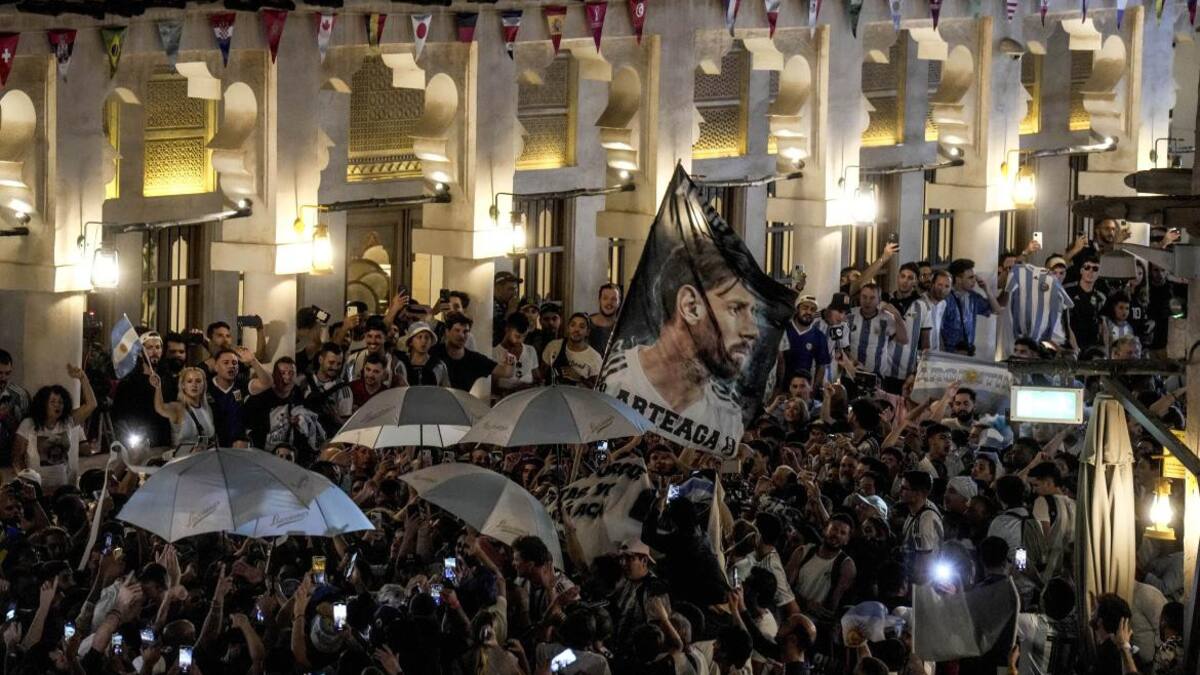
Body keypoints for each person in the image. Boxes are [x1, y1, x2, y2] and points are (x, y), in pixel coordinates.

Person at [599, 240, 758, 457]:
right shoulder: (614, 378)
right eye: (736, 309)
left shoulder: (728, 416)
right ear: (690, 306)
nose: (752, 330)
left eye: (753, 312)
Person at [13, 364, 96, 490]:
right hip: (36, 488)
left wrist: (82, 378)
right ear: (43, 404)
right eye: (53, 402)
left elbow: (91, 405)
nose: (57, 405)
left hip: (63, 485)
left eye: (61, 402)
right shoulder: (29, 424)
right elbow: (17, 458)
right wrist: (27, 482)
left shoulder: (67, 421)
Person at [786, 514, 856, 620]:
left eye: (842, 533)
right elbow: (784, 586)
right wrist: (805, 603)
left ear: (847, 540)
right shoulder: (803, 552)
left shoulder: (846, 566)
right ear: (825, 530)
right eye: (834, 529)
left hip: (814, 618)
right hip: (789, 604)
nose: (837, 534)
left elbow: (832, 607)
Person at [111, 332, 172, 449]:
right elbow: (119, 415)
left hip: (164, 440)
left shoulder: (168, 380)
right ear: (140, 352)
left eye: (158, 347)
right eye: (149, 347)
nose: (155, 352)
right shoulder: (129, 382)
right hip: (140, 440)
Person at [941, 258, 1009, 356]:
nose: (974, 281)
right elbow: (939, 329)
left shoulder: (973, 297)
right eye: (970, 277)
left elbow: (997, 310)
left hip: (967, 352)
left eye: (974, 277)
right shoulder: (946, 299)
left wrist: (987, 289)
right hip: (949, 352)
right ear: (958, 279)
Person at [433, 312, 514, 394]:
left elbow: (505, 372)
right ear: (447, 332)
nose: (461, 335)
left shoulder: (474, 359)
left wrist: (510, 361)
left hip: (462, 404)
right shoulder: (433, 353)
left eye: (465, 331)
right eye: (457, 330)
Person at [846, 283, 908, 376]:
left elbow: (903, 340)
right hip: (849, 374)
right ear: (859, 298)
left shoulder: (886, 318)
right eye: (864, 297)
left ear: (879, 300)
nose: (867, 301)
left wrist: (897, 316)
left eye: (872, 298)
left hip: (876, 376)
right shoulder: (850, 315)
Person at [149, 365, 216, 451]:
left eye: (198, 381)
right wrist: (158, 387)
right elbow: (160, 408)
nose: (194, 385)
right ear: (183, 385)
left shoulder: (207, 409)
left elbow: (212, 438)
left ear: (204, 385)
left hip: (204, 459)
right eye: (189, 381)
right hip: (182, 460)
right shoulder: (177, 408)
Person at [300, 342, 354, 437]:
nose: (335, 367)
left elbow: (346, 426)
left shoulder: (343, 389)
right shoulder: (303, 381)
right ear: (321, 360)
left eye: (339, 364)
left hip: (328, 439)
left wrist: (333, 416)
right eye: (331, 362)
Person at [780, 296, 831, 390]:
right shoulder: (784, 329)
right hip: (779, 388)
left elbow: (821, 366)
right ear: (797, 309)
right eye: (805, 307)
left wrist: (813, 391)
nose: (808, 312)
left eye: (812, 310)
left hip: (802, 391)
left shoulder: (819, 337)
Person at [899, 470, 943, 578]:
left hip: (920, 583)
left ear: (918, 493)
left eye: (904, 488)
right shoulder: (918, 509)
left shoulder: (924, 521)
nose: (900, 491)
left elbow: (924, 563)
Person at [542, 313, 604, 387]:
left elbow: (597, 388)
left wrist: (579, 378)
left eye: (581, 326)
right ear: (568, 328)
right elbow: (542, 377)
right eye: (573, 325)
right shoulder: (553, 346)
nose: (576, 330)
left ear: (587, 332)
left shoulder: (595, 357)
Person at [1065, 255, 1107, 356]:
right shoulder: (1068, 292)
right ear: (1081, 271)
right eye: (1087, 267)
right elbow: (1065, 323)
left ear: (1099, 273)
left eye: (1095, 268)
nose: (1090, 271)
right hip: (1070, 346)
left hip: (1092, 347)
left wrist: (1107, 352)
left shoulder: (1101, 297)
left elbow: (1104, 327)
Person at [343, 316, 402, 386]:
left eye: (378, 337)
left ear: (385, 338)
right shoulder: (352, 360)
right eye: (369, 336)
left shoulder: (396, 365)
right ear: (365, 336)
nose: (373, 341)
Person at [492, 313, 541, 396]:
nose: (520, 340)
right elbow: (492, 387)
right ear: (507, 329)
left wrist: (530, 386)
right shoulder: (494, 353)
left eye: (524, 336)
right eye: (517, 336)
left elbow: (538, 379)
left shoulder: (530, 350)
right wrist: (514, 390)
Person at [1089, 593, 1138, 675]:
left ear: (1100, 620)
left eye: (1095, 610)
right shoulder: (1128, 649)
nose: (1091, 614)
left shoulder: (1107, 655)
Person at [0, 349, 30, 466]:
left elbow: (27, 429)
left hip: (10, 456)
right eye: (0, 373)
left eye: (7, 373)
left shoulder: (20, 395)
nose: (3, 378)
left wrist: (7, 417)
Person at [395, 321, 449, 387]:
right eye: (419, 337)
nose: (423, 341)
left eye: (427, 337)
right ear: (411, 342)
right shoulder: (401, 364)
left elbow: (445, 390)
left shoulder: (439, 365)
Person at [589, 283, 623, 355]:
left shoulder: (623, 328)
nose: (609, 302)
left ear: (619, 302)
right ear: (599, 300)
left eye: (613, 299)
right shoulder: (585, 324)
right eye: (605, 298)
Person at [493, 271, 523, 346]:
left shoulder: (506, 304)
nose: (515, 293)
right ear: (498, 288)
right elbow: (497, 332)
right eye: (511, 289)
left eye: (515, 289)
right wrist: (510, 311)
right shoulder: (489, 306)